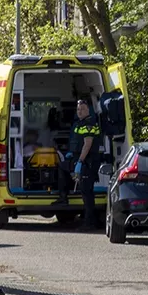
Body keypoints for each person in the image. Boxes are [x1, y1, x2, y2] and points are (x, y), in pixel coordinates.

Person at [52, 99, 101, 231]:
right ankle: (63, 197)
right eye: (78, 110)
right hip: (79, 159)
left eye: (82, 109)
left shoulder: (89, 123)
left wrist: (79, 161)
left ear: (88, 110)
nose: (79, 112)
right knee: (62, 166)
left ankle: (90, 223)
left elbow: (88, 144)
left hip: (87, 162)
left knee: (87, 192)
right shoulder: (80, 123)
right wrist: (72, 154)